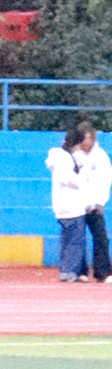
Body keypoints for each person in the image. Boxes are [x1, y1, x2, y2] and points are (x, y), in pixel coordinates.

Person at [48, 120, 109, 283]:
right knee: (77, 238)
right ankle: (79, 271)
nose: (87, 142)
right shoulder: (71, 155)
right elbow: (70, 179)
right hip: (77, 204)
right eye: (84, 138)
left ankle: (103, 272)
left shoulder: (100, 156)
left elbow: (106, 180)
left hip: (94, 204)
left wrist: (101, 201)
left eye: (90, 138)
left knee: (101, 237)